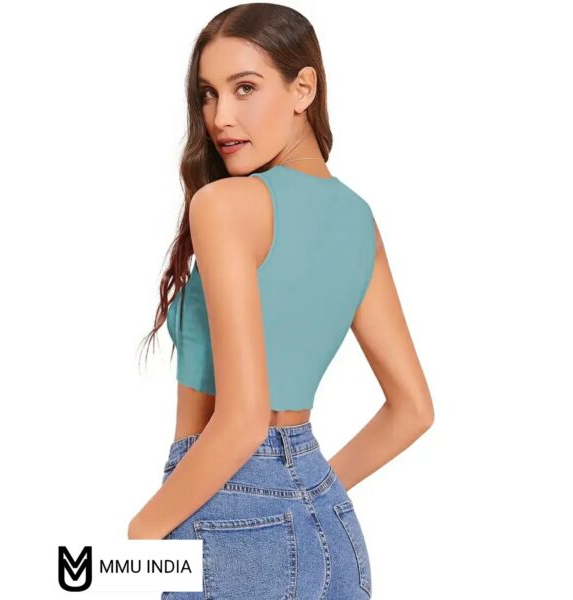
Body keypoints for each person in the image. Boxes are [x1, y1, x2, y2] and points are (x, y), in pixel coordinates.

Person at [129, 4, 434, 598]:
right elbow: (413, 410)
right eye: (209, 94)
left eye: (245, 88)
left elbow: (242, 420)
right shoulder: (359, 220)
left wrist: (140, 537)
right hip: (332, 532)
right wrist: (304, 495)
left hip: (218, 515)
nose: (221, 117)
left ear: (303, 88)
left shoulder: (225, 205)